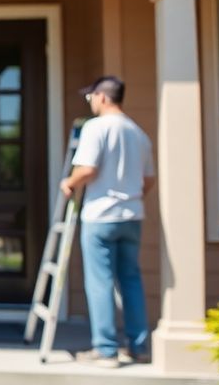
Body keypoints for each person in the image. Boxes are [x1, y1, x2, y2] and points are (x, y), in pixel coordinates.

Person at [60, 75, 155, 368]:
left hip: (100, 216)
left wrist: (69, 182)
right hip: (132, 216)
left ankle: (106, 349)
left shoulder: (96, 127)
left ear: (102, 97)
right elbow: (147, 180)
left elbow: (87, 168)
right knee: (131, 280)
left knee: (99, 282)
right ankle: (138, 347)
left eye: (91, 97)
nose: (90, 102)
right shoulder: (138, 133)